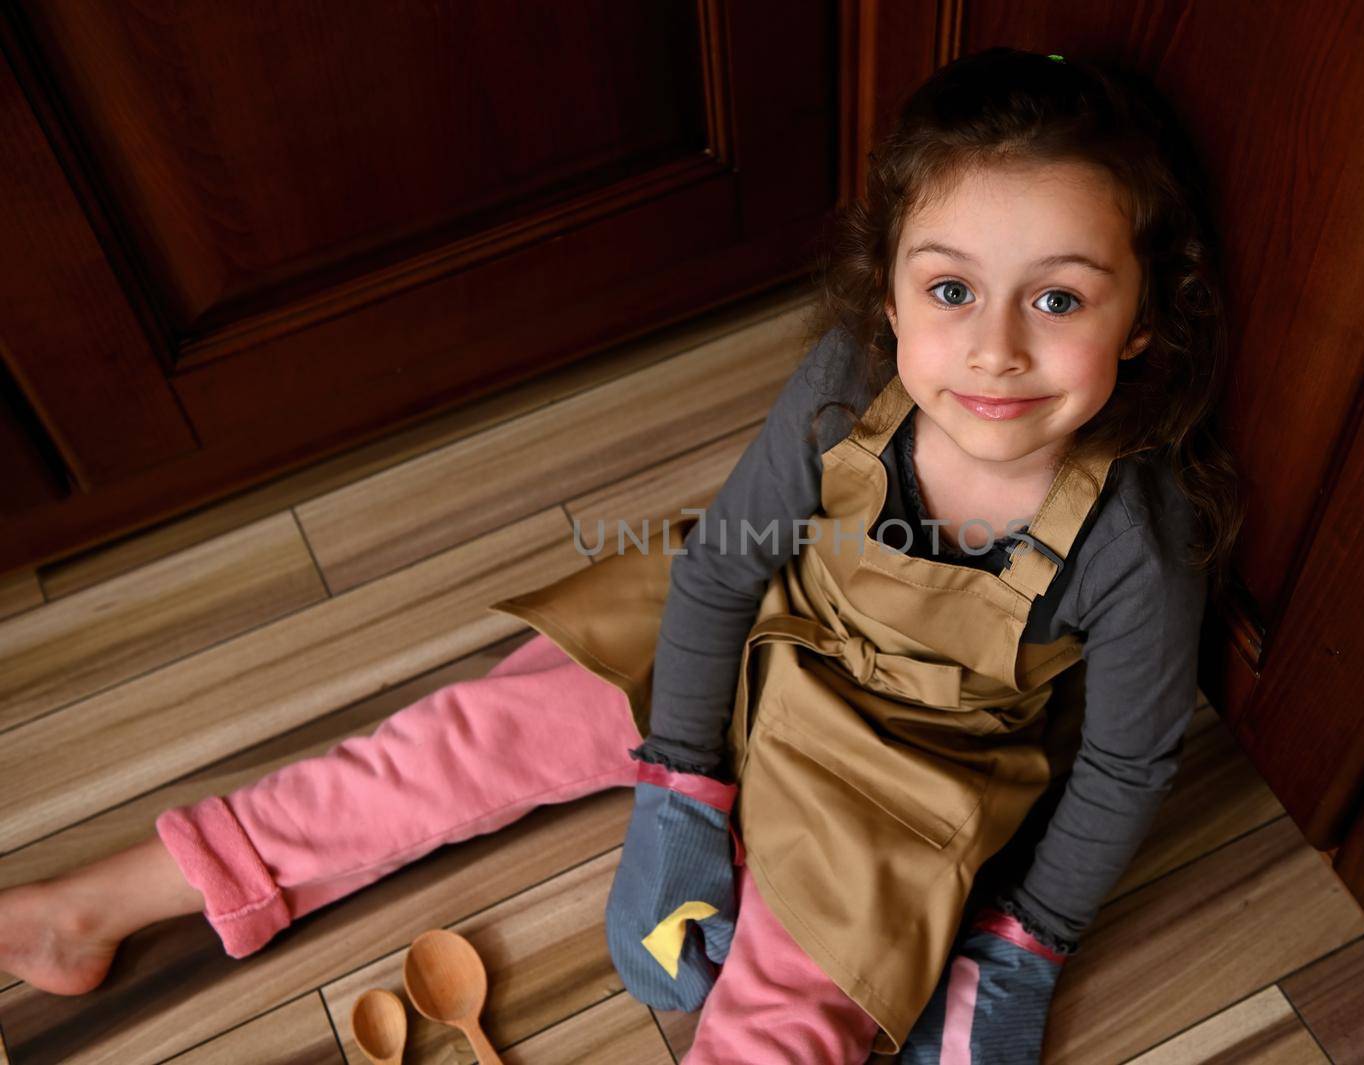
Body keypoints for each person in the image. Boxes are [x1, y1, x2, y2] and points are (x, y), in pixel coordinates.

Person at [0, 47, 1241, 1063]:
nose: (995, 352)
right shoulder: (844, 384)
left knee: (778, 1027)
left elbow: (1126, 771)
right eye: (953, 291)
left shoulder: (1140, 534)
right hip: (748, 643)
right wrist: (681, 790)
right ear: (891, 293)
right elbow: (717, 575)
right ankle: (96, 907)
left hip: (904, 789)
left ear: (1142, 318)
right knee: (454, 743)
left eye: (1061, 300)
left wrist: (1024, 945)